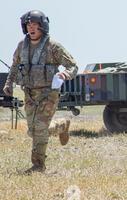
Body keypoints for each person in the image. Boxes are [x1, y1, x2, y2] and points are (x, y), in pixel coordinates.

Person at [3, 10, 78, 173]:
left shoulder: (53, 46)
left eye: (35, 25)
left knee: (40, 129)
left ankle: (38, 165)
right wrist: (8, 83)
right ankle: (61, 125)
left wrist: (64, 74)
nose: (31, 28)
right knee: (33, 131)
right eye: (28, 25)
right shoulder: (22, 46)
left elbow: (73, 66)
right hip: (29, 94)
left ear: (42, 27)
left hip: (48, 94)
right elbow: (15, 66)